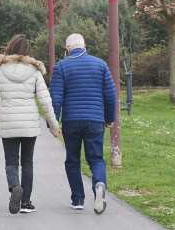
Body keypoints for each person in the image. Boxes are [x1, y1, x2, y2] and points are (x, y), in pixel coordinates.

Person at [0, 34, 61, 214]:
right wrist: (53, 125)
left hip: (8, 122)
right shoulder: (35, 71)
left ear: (10, 49)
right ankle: (26, 202)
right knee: (27, 162)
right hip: (29, 124)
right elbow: (45, 101)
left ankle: (14, 187)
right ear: (28, 51)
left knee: (11, 162)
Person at [49, 33, 116, 215]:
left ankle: (77, 200)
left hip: (71, 121)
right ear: (84, 46)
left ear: (68, 49)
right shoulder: (100, 64)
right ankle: (99, 185)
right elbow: (110, 95)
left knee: (72, 160)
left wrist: (53, 123)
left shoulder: (61, 67)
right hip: (95, 120)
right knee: (96, 159)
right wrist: (109, 118)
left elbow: (55, 98)